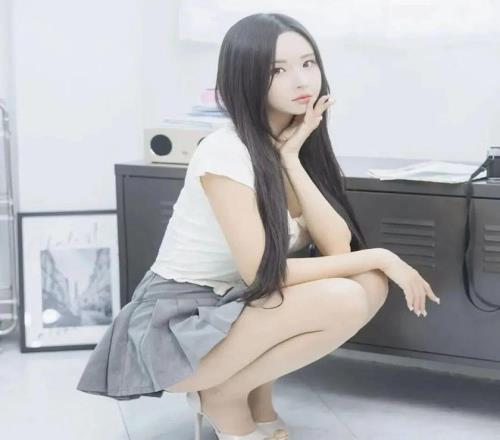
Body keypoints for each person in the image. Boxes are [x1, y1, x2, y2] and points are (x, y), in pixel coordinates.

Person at [77, 12, 439, 440]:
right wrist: (381, 254)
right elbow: (263, 274)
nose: (301, 80)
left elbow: (337, 247)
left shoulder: (291, 144)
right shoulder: (225, 152)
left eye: (308, 63)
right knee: (345, 292)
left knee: (369, 283)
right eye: (277, 70)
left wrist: (291, 160)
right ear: (246, 77)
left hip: (236, 306)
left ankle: (239, 394)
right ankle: (225, 395)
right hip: (180, 324)